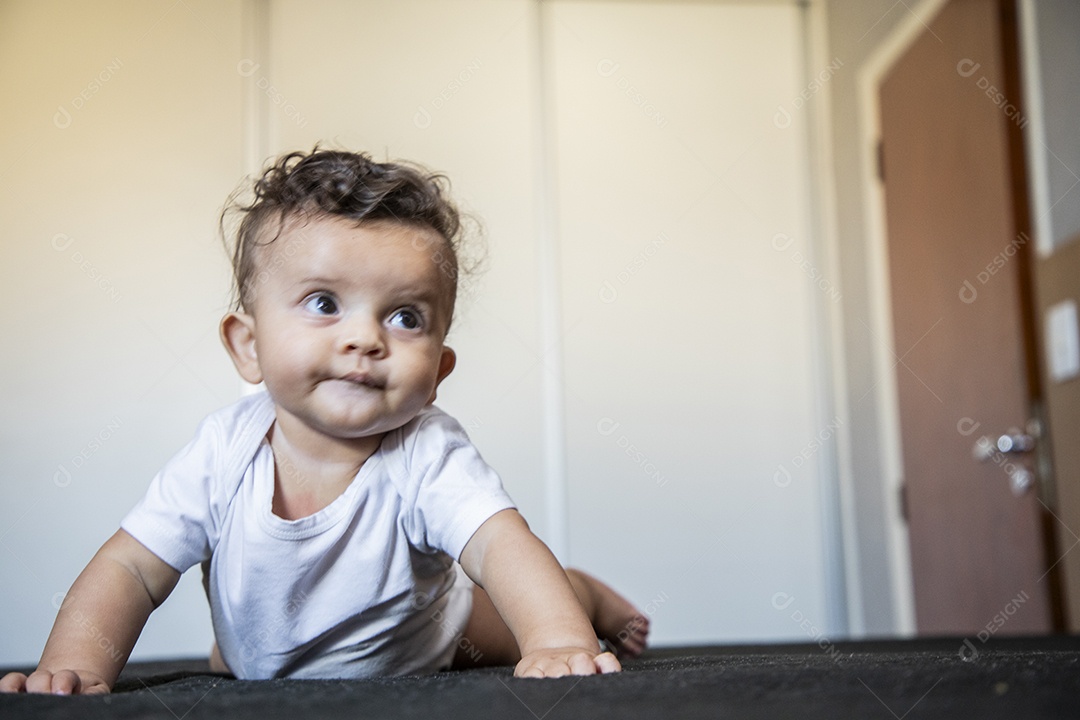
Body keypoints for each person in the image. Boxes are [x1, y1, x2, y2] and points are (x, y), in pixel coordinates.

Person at [0, 149, 648, 695]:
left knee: (499, 625)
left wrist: (558, 640)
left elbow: (499, 547)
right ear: (248, 346)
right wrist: (75, 666)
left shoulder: (426, 451)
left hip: (423, 639)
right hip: (262, 658)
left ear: (439, 369)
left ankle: (584, 594)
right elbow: (131, 569)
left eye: (405, 317)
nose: (365, 337)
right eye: (324, 303)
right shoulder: (222, 452)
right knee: (236, 660)